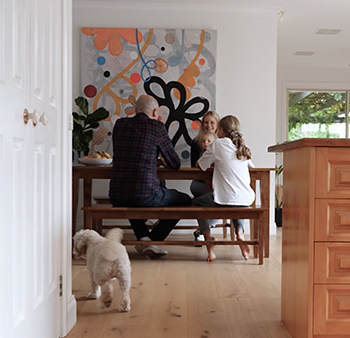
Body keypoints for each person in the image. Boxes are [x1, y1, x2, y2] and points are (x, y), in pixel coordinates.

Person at [109, 94, 192, 259]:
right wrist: (161, 160)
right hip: (144, 194)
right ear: (155, 112)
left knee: (131, 197)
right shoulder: (157, 127)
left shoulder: (120, 124)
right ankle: (153, 240)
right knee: (185, 200)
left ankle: (144, 237)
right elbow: (175, 163)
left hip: (116, 195)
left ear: (136, 110)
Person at [194, 115, 255, 262]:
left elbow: (200, 165)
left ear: (220, 130)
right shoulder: (242, 146)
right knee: (236, 204)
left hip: (225, 197)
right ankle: (240, 233)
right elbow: (252, 167)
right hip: (246, 198)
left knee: (196, 203)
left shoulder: (218, 144)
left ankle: (208, 239)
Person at [189, 111, 221, 241]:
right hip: (200, 182)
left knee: (219, 195)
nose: (208, 125)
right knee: (214, 195)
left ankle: (203, 230)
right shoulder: (196, 143)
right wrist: (206, 180)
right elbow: (193, 168)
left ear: (217, 124)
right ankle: (205, 230)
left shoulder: (223, 143)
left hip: (218, 183)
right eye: (206, 122)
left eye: (212, 122)